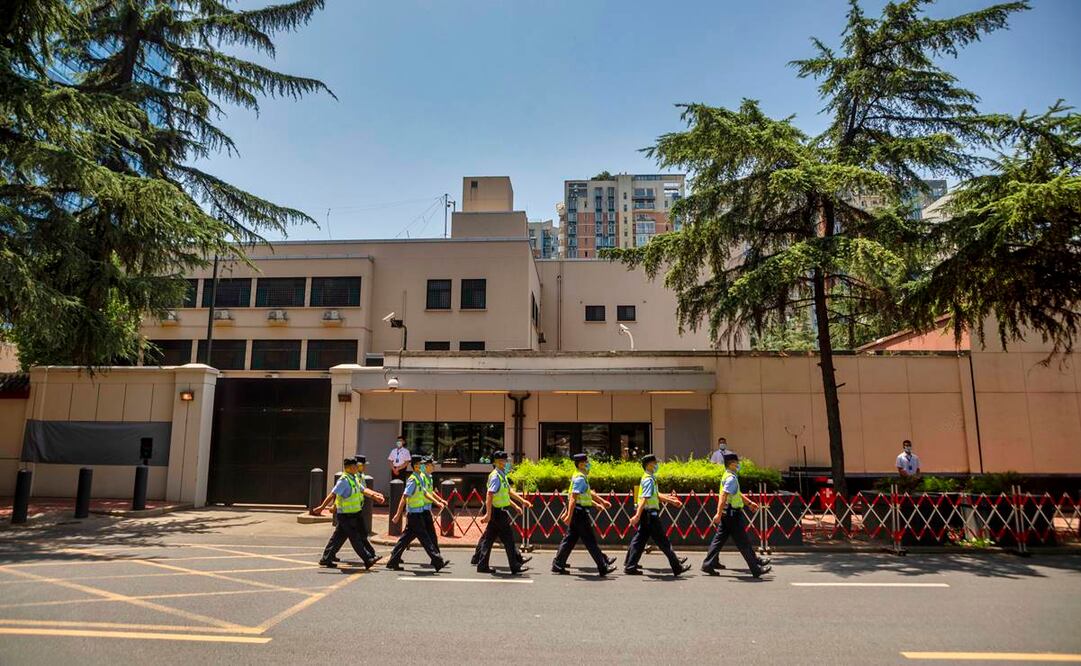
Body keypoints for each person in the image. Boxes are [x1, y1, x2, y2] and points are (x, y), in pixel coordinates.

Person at [702, 452, 771, 578]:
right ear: (731, 464)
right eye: (736, 462)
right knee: (743, 542)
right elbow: (723, 496)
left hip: (728, 514)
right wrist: (718, 514)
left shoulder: (728, 475)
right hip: (732, 514)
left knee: (719, 540)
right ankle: (755, 569)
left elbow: (736, 494)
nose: (738, 464)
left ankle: (708, 564)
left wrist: (748, 503)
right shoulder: (731, 479)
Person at [624, 454, 692, 576]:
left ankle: (630, 566)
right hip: (650, 515)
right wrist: (637, 515)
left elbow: (655, 495)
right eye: (655, 463)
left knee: (639, 540)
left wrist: (670, 500)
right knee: (663, 541)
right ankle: (677, 567)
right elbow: (644, 498)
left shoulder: (649, 478)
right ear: (649, 465)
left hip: (647, 515)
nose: (656, 465)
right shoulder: (649, 480)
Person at [551, 453, 617, 577]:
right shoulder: (580, 478)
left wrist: (599, 503)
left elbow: (586, 494)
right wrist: (569, 515)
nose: (588, 464)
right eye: (586, 462)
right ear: (581, 464)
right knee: (590, 540)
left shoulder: (580, 476)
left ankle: (558, 564)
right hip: (579, 514)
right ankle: (603, 566)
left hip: (579, 512)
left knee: (570, 540)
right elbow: (573, 498)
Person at [319, 458, 384, 569]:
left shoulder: (354, 478)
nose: (357, 468)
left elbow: (363, 490)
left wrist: (375, 495)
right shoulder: (343, 481)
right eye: (354, 467)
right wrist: (322, 507)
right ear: (348, 468)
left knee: (338, 537)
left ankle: (326, 559)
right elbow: (333, 494)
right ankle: (368, 559)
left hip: (355, 513)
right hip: (346, 515)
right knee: (355, 538)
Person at [386, 458, 448, 572]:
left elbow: (425, 493)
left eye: (422, 465)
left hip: (418, 514)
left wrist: (437, 502)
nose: (421, 466)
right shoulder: (413, 480)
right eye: (419, 464)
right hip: (414, 515)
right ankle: (438, 561)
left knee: (405, 539)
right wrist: (398, 514)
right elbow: (404, 497)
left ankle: (393, 561)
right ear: (415, 466)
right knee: (425, 539)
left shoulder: (419, 478)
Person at [470, 456, 532, 569]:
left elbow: (507, 493)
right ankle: (515, 564)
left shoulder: (502, 475)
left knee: (488, 538)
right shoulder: (495, 476)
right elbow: (490, 494)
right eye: (505, 461)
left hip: (499, 511)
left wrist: (521, 502)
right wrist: (488, 514)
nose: (507, 463)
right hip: (497, 512)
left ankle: (482, 563)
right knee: (508, 539)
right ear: (498, 462)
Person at [417, 456, 449, 557]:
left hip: (426, 509)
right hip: (420, 510)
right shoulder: (421, 477)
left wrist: (440, 500)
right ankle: (437, 557)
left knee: (430, 534)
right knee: (427, 535)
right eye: (432, 465)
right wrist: (437, 502)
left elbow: (430, 492)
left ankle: (437, 557)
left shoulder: (429, 477)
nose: (434, 466)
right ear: (426, 466)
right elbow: (425, 493)